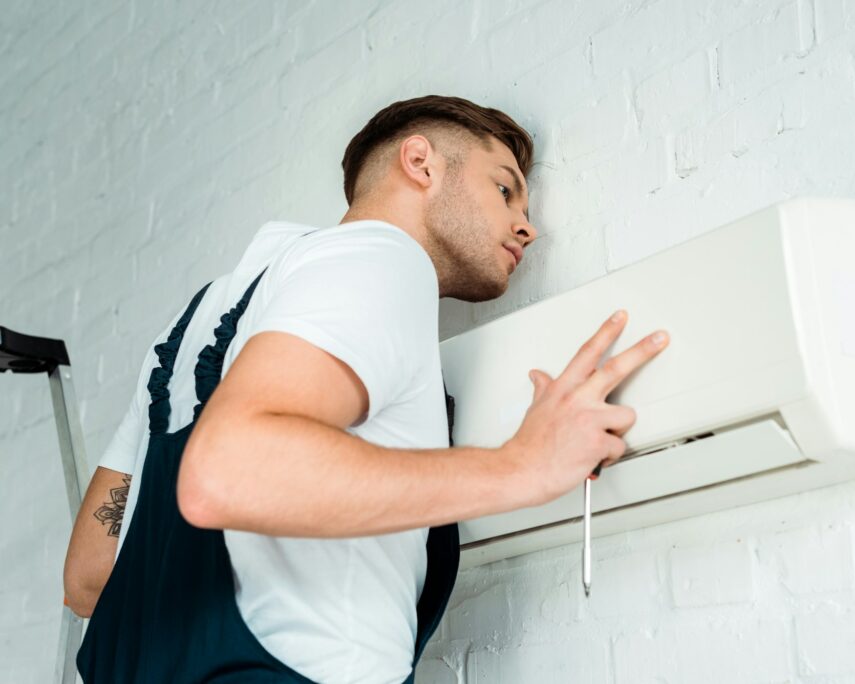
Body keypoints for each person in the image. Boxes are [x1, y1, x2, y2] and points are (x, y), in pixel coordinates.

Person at [62, 94, 670, 683]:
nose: (526, 227)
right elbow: (226, 472)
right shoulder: (382, 257)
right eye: (505, 189)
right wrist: (523, 465)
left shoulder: (199, 319)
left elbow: (88, 578)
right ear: (420, 162)